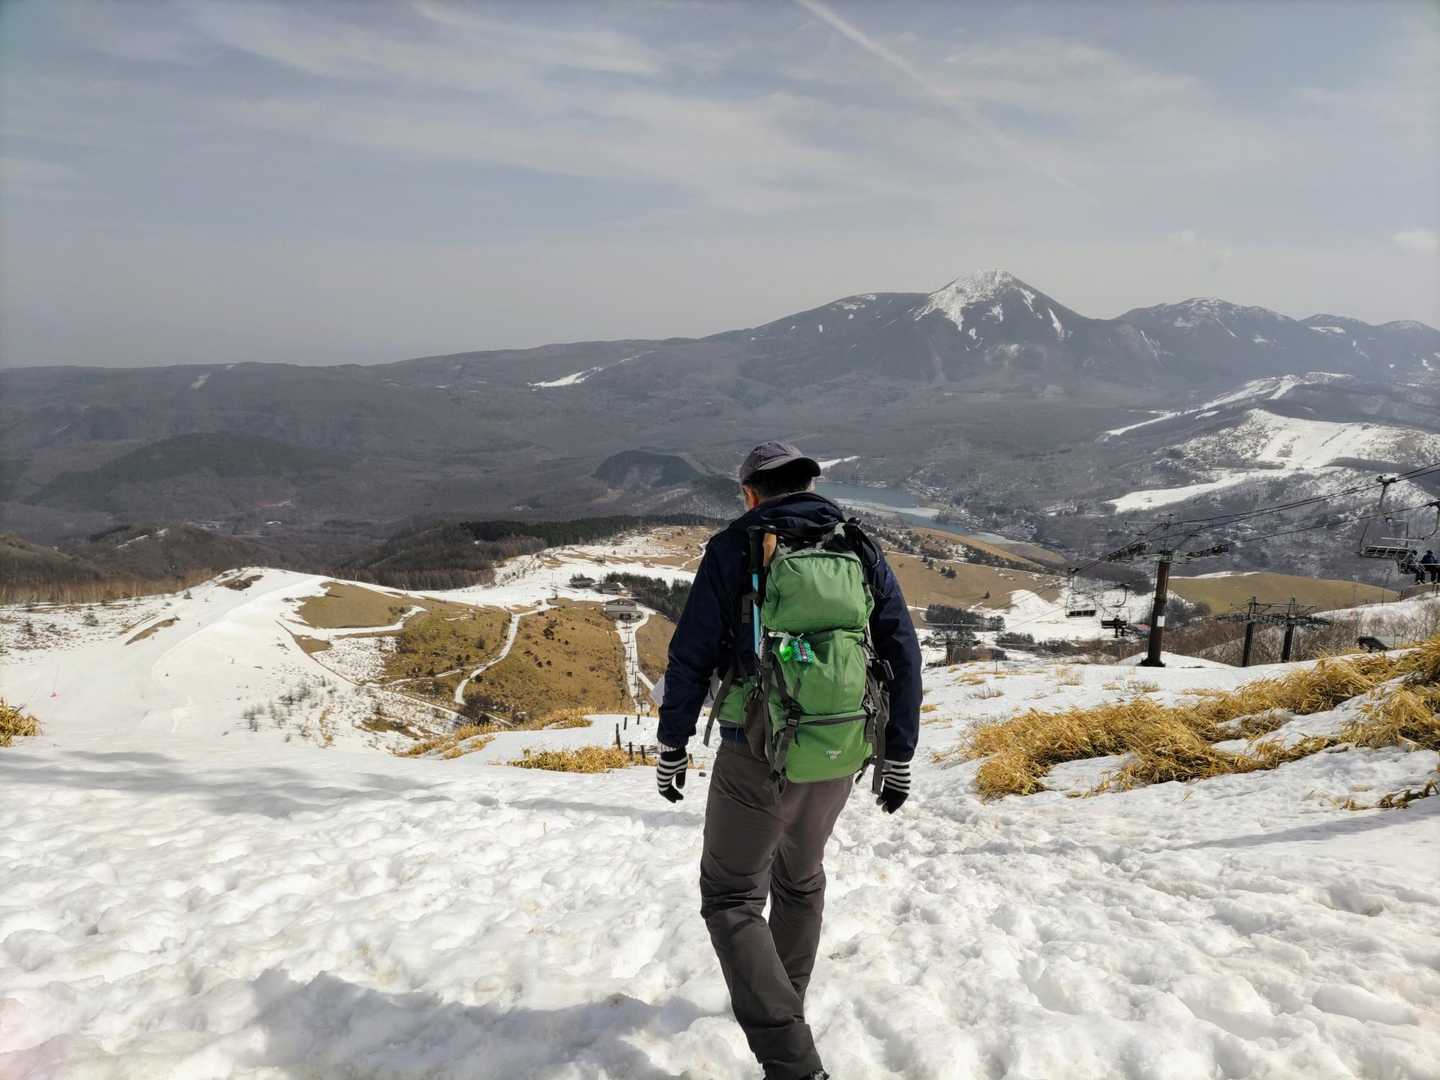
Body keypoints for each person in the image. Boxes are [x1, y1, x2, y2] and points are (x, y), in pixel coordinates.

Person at [655, 441, 921, 1080]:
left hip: (756, 749)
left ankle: (792, 1062)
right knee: (800, 881)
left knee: (730, 897)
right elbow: (902, 652)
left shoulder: (736, 547)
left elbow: (691, 655)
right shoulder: (857, 545)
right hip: (840, 746)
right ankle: (783, 1004)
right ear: (810, 485)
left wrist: (673, 745)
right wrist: (898, 753)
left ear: (750, 494)